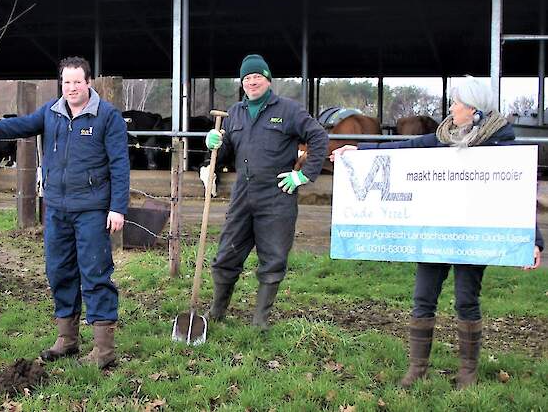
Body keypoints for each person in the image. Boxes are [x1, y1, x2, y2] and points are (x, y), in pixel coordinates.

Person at [330, 76, 544, 389]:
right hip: (435, 234)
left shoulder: (500, 146)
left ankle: (467, 372)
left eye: (457, 103)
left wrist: (533, 241)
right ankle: (417, 368)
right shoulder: (443, 137)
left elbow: (517, 194)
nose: (452, 108)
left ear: (474, 110)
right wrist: (359, 150)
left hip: (474, 236)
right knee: (423, 298)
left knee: (466, 300)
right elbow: (404, 149)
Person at [0, 56, 129, 368]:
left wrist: (117, 208)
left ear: (89, 83)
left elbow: (120, 165)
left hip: (92, 209)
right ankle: (67, 340)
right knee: (59, 271)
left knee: (95, 273)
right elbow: (23, 124)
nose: (71, 88)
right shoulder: (52, 112)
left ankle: (103, 350)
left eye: (77, 82)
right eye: (66, 82)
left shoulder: (107, 117)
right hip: (56, 208)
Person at [204, 54, 329, 330]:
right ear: (242, 83)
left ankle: (260, 321)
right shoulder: (234, 112)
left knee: (272, 258)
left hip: (276, 197)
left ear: (268, 80)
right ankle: (216, 312)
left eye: (257, 77)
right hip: (242, 195)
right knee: (227, 254)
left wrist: (303, 175)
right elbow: (224, 152)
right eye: (247, 78)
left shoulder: (288, 110)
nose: (252, 82)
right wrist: (215, 143)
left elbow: (319, 136)